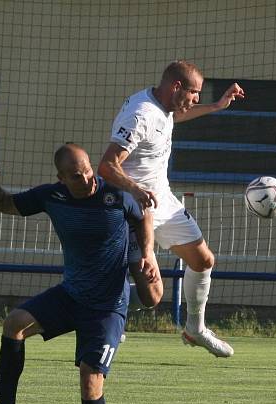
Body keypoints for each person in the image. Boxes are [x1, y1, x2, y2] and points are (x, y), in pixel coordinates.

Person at [0, 143, 160, 404]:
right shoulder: (52, 196)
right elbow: (7, 205)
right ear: (61, 178)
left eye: (87, 170)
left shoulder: (115, 195)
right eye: (75, 175)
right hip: (71, 295)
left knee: (90, 378)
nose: (85, 179)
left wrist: (147, 253)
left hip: (107, 307)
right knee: (14, 324)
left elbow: (144, 213)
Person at [98, 60, 245, 358]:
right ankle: (102, 314)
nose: (196, 100)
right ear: (176, 86)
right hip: (134, 207)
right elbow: (106, 165)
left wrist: (217, 106)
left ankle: (195, 329)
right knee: (152, 293)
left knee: (203, 260)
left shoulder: (163, 108)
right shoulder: (141, 114)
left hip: (161, 200)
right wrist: (135, 189)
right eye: (194, 93)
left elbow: (174, 118)